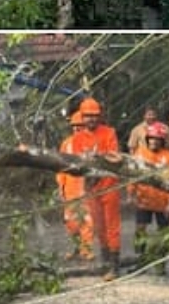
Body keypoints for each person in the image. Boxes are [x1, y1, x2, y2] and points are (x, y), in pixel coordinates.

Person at [80, 97, 122, 281]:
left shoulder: (108, 132)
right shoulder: (77, 137)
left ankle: (114, 265)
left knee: (112, 225)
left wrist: (97, 157)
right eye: (88, 116)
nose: (91, 119)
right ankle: (106, 262)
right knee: (99, 226)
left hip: (108, 184)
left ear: (99, 116)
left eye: (94, 116)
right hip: (91, 187)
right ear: (82, 117)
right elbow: (76, 160)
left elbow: (114, 156)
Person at [128, 122, 169, 275]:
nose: (154, 141)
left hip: (162, 202)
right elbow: (132, 175)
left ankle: (161, 264)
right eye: (151, 139)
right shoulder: (139, 154)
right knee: (140, 230)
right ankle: (140, 262)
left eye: (157, 139)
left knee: (164, 234)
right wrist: (130, 193)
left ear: (162, 141)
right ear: (147, 139)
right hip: (144, 199)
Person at [56, 111, 96, 261]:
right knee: (71, 222)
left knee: (86, 220)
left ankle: (87, 250)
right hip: (69, 188)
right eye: (74, 126)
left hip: (84, 188)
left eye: (80, 126)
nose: (77, 129)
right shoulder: (66, 144)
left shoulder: (91, 143)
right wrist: (61, 186)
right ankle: (76, 248)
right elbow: (59, 166)